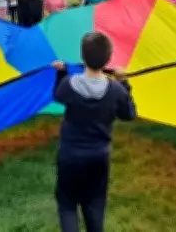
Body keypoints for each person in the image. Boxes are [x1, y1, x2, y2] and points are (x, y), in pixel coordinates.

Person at [51, 32, 137, 232]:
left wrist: (61, 73)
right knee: (94, 206)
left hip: (70, 156)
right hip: (98, 158)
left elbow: (58, 96)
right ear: (109, 59)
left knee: (67, 204)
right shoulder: (115, 90)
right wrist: (124, 83)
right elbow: (129, 114)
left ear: (82, 57)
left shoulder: (69, 85)